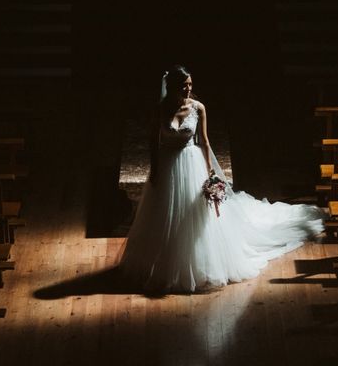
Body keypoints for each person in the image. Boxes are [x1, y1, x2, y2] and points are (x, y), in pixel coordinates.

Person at [117, 65, 325, 293]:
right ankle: (163, 264)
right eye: (184, 85)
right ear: (173, 87)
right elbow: (152, 142)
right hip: (168, 166)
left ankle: (195, 264)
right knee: (164, 215)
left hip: (191, 163)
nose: (188, 89)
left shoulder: (198, 108)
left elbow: (204, 142)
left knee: (194, 216)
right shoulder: (161, 109)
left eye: (190, 85)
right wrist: (155, 170)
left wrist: (210, 174)